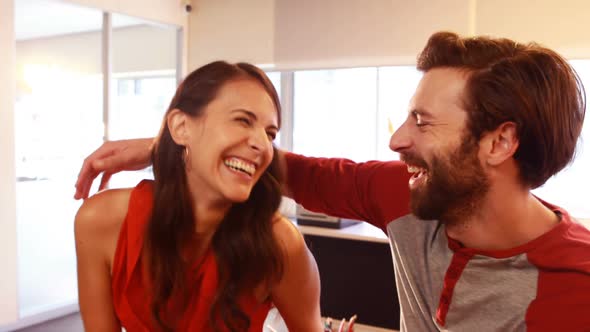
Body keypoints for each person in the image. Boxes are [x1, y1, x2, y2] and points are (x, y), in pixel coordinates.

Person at [75, 32, 590, 331]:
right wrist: (174, 147)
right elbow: (302, 172)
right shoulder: (408, 195)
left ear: (499, 143)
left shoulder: (576, 288)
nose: (397, 141)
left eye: (423, 122)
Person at [74, 61, 323, 332]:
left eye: (270, 133)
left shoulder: (280, 243)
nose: (262, 144)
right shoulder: (101, 219)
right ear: (181, 127)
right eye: (243, 120)